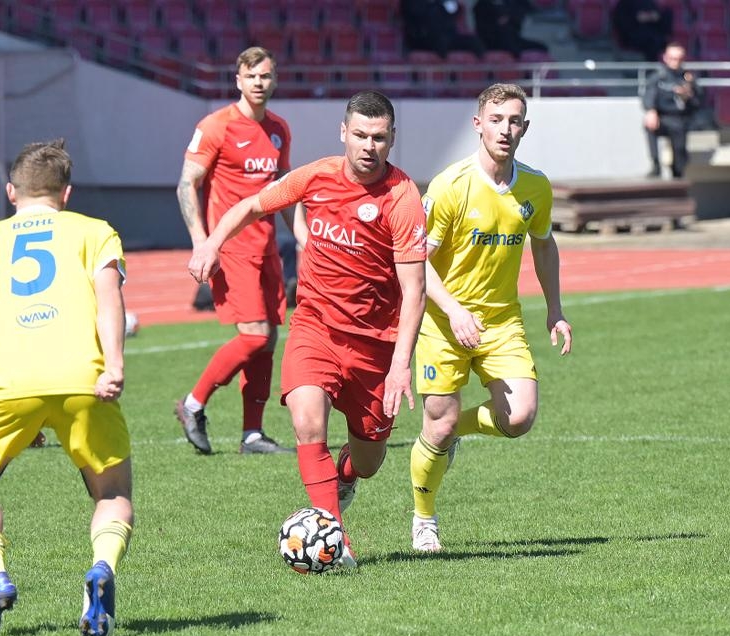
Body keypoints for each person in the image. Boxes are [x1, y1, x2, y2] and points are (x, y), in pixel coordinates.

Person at [189, 91, 429, 569]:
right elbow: (251, 206)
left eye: (379, 138)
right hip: (315, 327)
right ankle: (335, 539)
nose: (368, 146)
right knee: (306, 420)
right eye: (360, 135)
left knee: (369, 461)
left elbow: (415, 289)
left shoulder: (402, 198)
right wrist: (211, 243)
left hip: (374, 346)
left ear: (392, 139)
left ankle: (345, 475)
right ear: (343, 133)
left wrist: (401, 365)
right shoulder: (315, 177)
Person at [0, 140, 133, 636]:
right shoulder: (95, 231)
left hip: (9, 380)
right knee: (111, 491)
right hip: (84, 378)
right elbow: (109, 300)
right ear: (66, 193)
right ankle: (102, 569)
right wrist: (113, 365)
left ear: (11, 192)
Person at [410, 83, 573, 553]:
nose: (505, 129)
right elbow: (418, 261)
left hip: (502, 322)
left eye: (514, 121)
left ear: (525, 128)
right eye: (496, 120)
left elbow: (544, 244)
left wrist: (555, 309)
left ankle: (450, 431)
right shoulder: (450, 186)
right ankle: (424, 519)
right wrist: (454, 310)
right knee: (437, 425)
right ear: (477, 124)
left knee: (519, 417)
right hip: (443, 322)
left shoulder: (535, 187)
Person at [175, 46, 296, 456]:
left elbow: (283, 191)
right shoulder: (216, 126)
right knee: (254, 335)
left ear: (274, 80)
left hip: (267, 249)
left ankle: (252, 435)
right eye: (252, 76)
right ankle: (193, 404)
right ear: (238, 80)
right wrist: (201, 242)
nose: (259, 83)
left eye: (266, 75)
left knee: (269, 337)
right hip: (231, 249)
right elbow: (186, 184)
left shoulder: (279, 129)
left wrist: (303, 237)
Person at [642, 42, 702, 179]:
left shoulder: (688, 78)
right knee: (649, 126)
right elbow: (649, 96)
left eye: (679, 59)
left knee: (679, 155)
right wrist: (651, 111)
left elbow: (699, 102)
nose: (675, 62)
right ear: (666, 58)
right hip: (663, 117)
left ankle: (677, 171)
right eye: (672, 58)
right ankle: (655, 165)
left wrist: (688, 95)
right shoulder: (658, 77)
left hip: (681, 119)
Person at [402, 0, 485, 58]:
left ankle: (482, 74)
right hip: (423, 38)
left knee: (475, 42)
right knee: (441, 44)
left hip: (448, 35)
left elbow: (453, 10)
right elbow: (416, 15)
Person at [473, 0, 548, 58]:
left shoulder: (510, 3)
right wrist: (500, 22)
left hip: (514, 39)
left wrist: (508, 18)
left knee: (541, 47)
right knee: (513, 50)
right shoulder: (481, 5)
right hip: (494, 41)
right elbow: (485, 30)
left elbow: (516, 20)